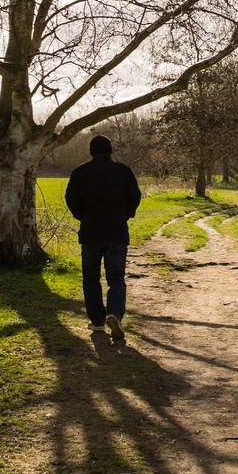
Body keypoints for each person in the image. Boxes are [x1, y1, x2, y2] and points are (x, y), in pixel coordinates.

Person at [64, 134, 142, 342]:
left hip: (90, 232)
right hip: (116, 231)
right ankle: (114, 313)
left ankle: (97, 321)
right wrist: (124, 215)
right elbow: (134, 197)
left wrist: (83, 216)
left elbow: (70, 199)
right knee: (116, 277)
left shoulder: (80, 172)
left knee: (91, 278)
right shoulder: (123, 172)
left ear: (91, 151)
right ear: (111, 150)